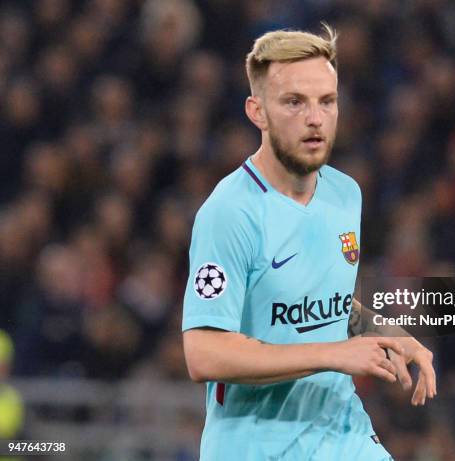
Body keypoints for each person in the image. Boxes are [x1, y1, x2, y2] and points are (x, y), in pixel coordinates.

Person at [182, 24, 436, 461]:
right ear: (257, 111)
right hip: (256, 445)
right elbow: (204, 353)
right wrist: (335, 355)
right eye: (294, 102)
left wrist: (388, 334)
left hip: (343, 434)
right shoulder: (230, 212)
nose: (315, 118)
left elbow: (328, 305)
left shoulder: (345, 193)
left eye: (327, 101)